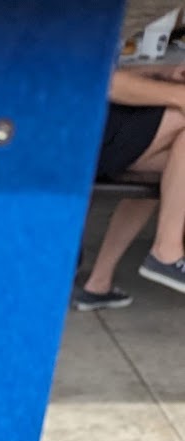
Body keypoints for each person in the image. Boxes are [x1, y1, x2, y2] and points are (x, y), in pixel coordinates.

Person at [74, 63, 185, 308]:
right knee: (179, 119)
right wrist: (179, 95)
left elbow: (107, 67)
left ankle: (98, 284)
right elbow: (105, 80)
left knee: (174, 169)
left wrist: (160, 73)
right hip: (72, 130)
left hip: (78, 121)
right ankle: (166, 251)